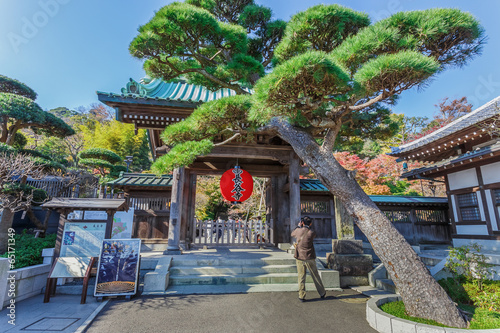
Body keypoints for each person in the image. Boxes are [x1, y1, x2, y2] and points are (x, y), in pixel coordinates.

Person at [291, 216, 326, 302]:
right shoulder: (312, 232)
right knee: (315, 275)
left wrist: (299, 226)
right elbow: (312, 235)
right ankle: (322, 292)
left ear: (302, 222)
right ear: (310, 223)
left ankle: (301, 295)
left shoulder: (298, 231)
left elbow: (292, 234)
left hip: (300, 257)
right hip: (309, 256)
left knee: (301, 277)